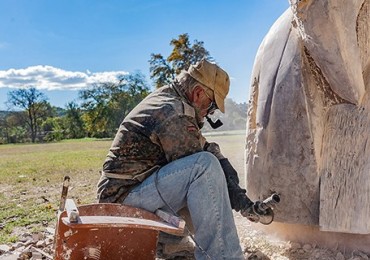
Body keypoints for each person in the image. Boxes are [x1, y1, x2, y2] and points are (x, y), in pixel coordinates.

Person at [97, 59, 259, 259]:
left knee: (205, 168)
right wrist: (238, 199)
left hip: (129, 192)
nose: (211, 113)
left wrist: (239, 194)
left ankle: (170, 244)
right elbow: (202, 164)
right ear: (198, 93)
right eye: (212, 105)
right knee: (204, 169)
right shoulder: (173, 113)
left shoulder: (173, 100)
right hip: (122, 200)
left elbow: (205, 148)